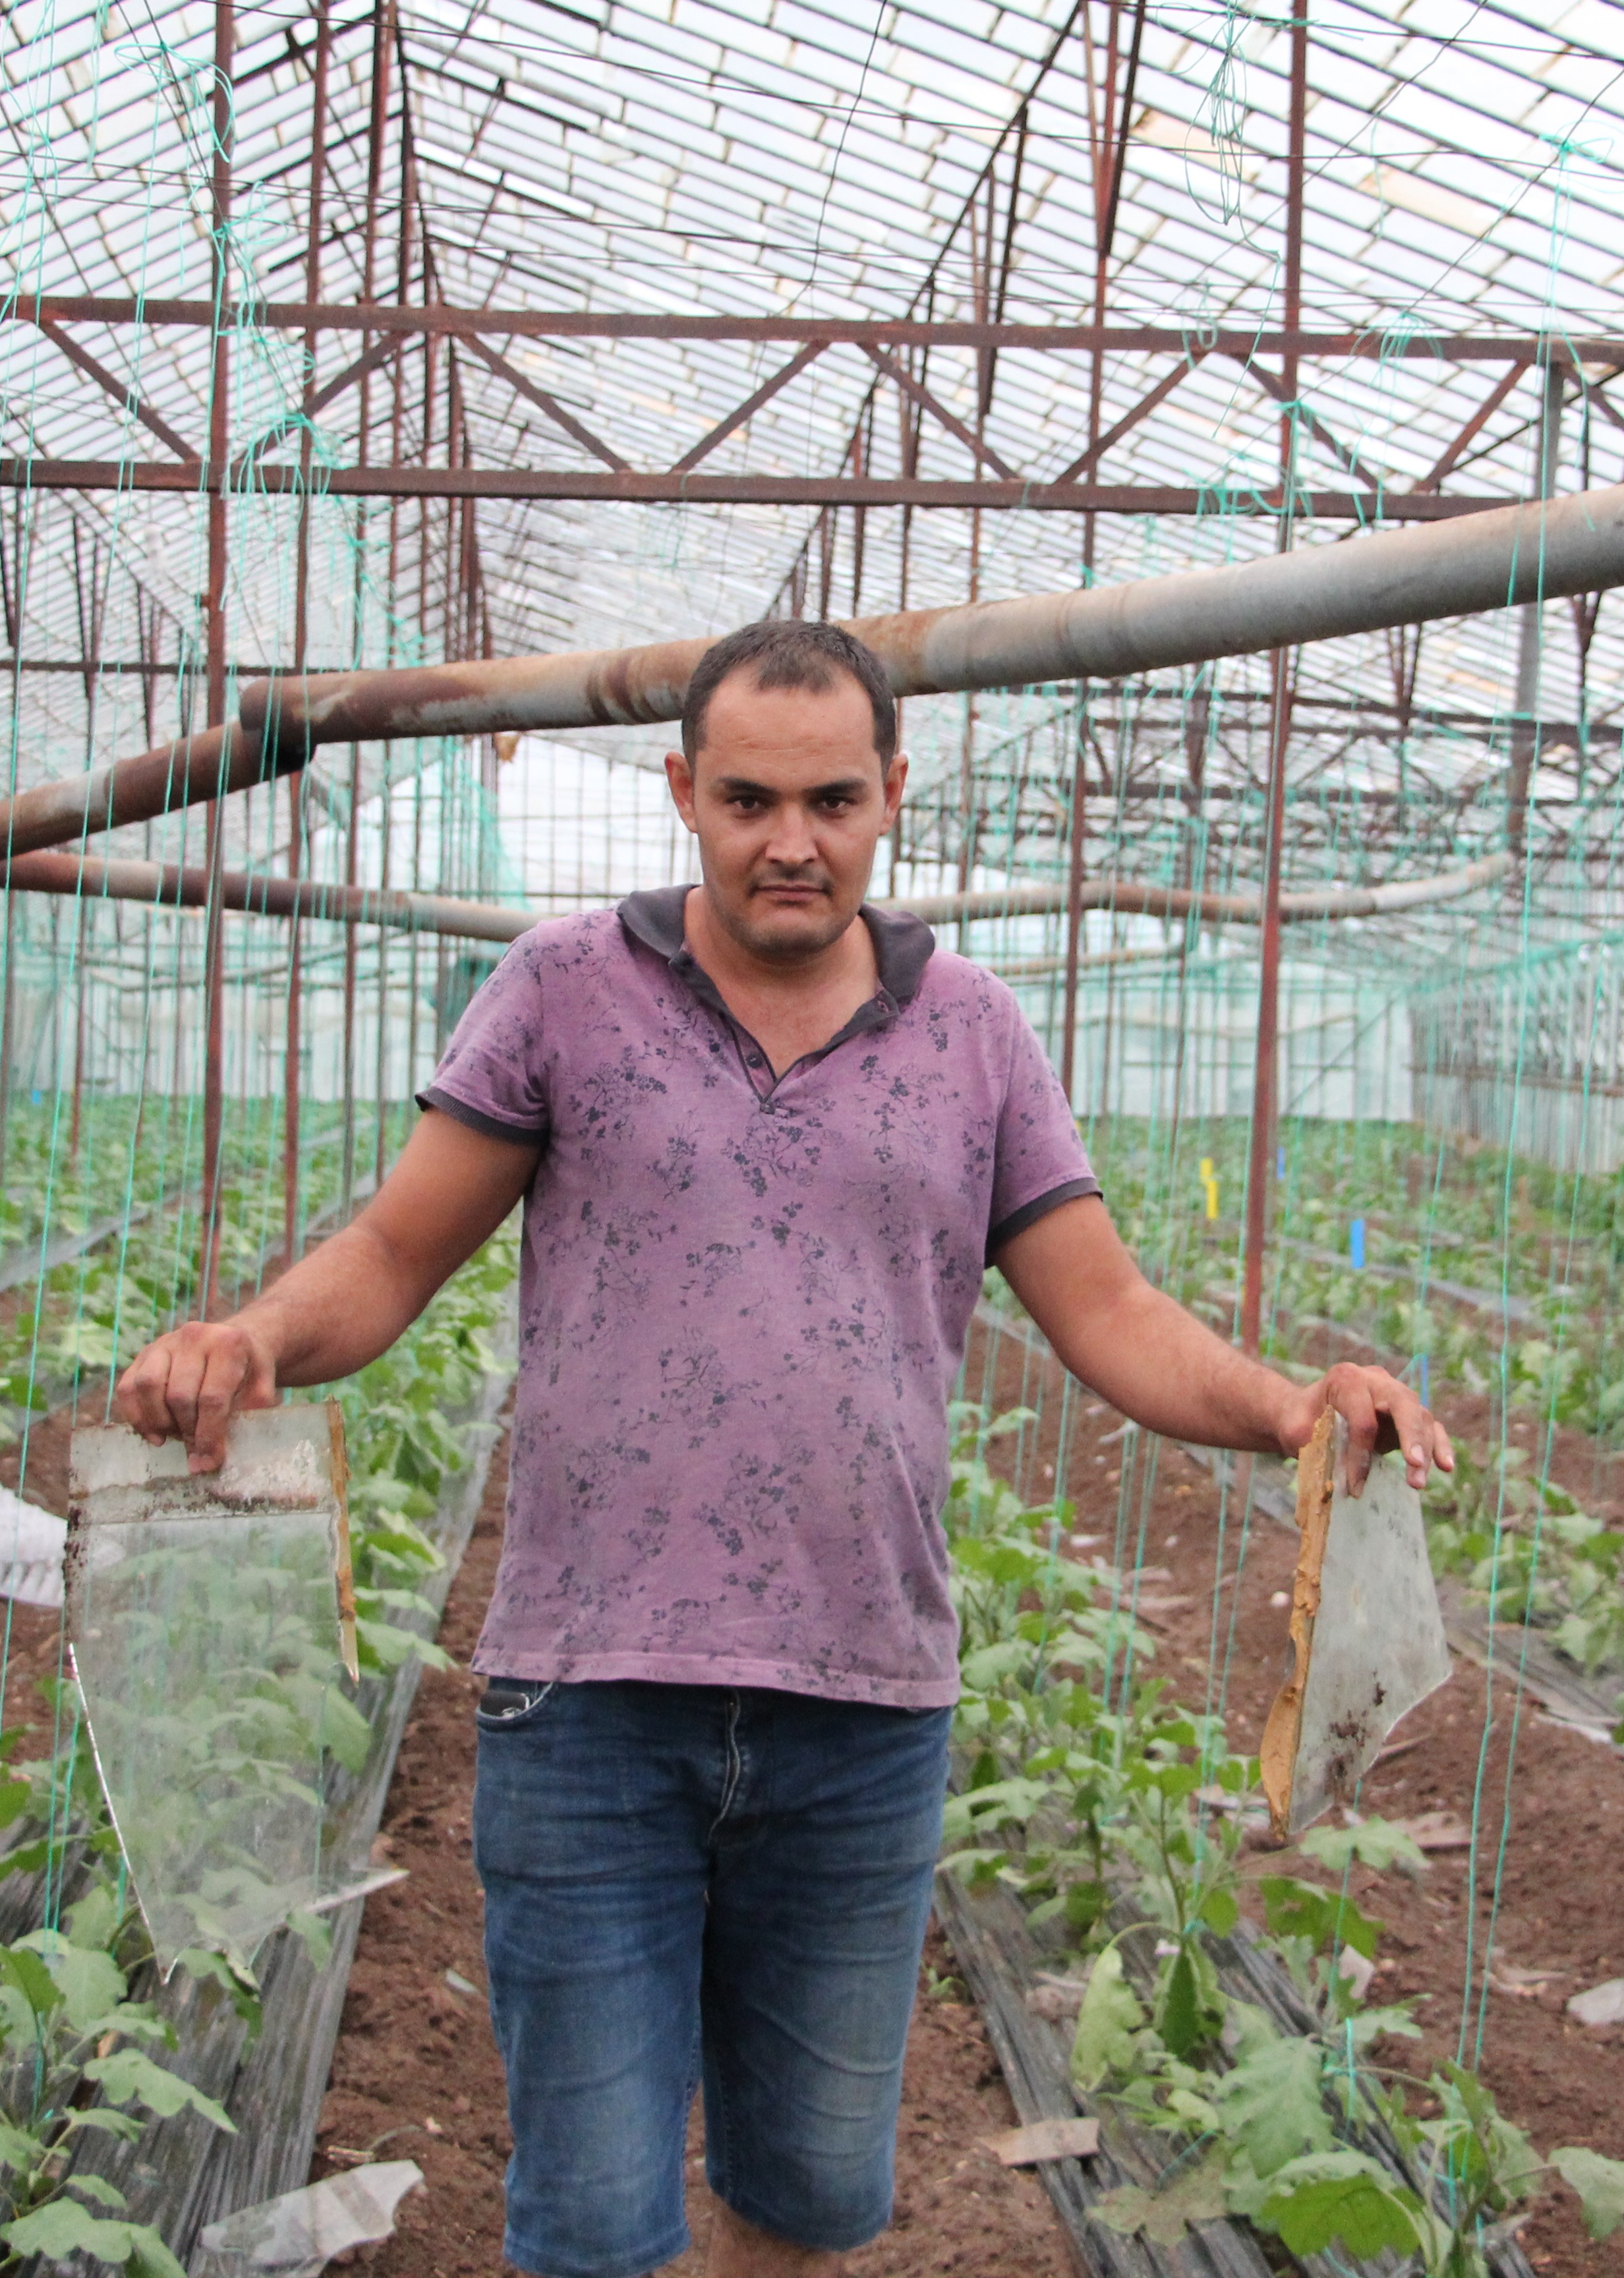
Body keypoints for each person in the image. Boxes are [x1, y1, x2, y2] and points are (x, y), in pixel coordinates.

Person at [110, 618, 1453, 2278]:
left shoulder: (972, 1036)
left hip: (862, 1713)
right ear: (682, 791)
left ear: (892, 796)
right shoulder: (561, 993)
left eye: (831, 798)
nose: (791, 840)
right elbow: (395, 1252)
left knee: (808, 2201)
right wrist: (251, 1338)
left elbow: (1103, 1308)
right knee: (594, 2222)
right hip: (588, 1703)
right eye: (748, 798)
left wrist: (1288, 1406)